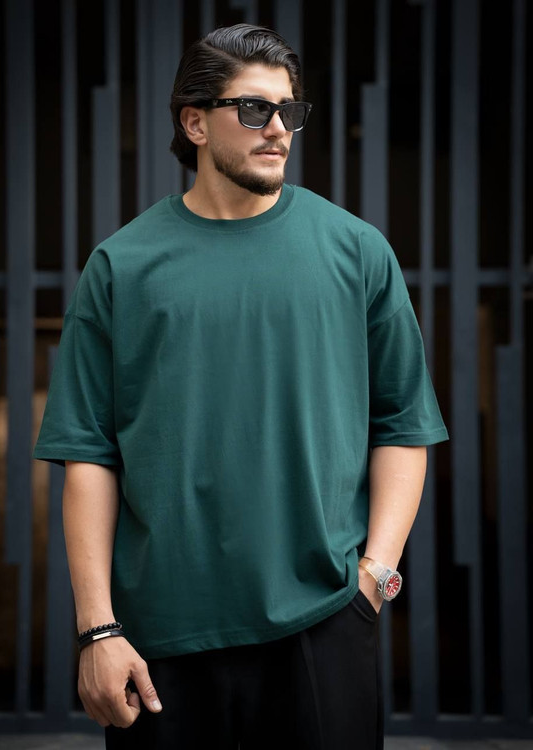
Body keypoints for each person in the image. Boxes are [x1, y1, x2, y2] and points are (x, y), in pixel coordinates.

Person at [33, 23, 448, 750]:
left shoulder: (356, 251)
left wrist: (374, 579)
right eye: (254, 110)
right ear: (194, 123)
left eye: (290, 110)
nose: (279, 129)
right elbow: (88, 455)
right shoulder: (123, 266)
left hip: (323, 622)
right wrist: (98, 628)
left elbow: (403, 426)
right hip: (161, 637)